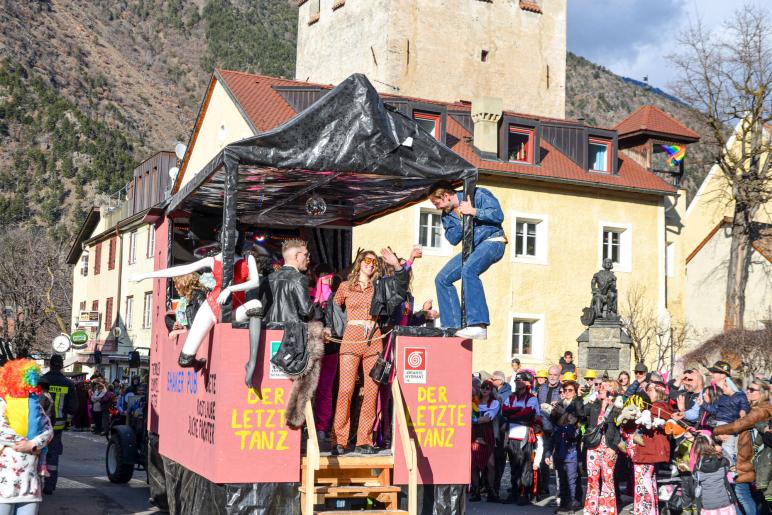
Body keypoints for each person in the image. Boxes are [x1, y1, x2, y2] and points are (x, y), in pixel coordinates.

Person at [129, 230, 261, 368]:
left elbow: (255, 282)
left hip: (234, 309)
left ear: (239, 239)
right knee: (185, 360)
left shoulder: (247, 258)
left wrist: (229, 289)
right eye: (226, 235)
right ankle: (200, 364)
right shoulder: (212, 260)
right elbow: (182, 269)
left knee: (256, 305)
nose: (231, 238)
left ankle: (252, 361)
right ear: (221, 238)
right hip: (211, 308)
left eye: (235, 236)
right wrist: (144, 275)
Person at [330, 249, 405, 455]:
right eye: (367, 260)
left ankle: (365, 440)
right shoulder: (345, 286)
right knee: (346, 390)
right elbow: (333, 309)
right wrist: (332, 329)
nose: (370, 264)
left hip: (374, 338)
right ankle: (339, 439)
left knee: (371, 391)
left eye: (374, 262)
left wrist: (397, 266)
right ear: (360, 262)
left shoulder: (380, 287)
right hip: (351, 338)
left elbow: (400, 288)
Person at [428, 180, 506, 340]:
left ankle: (479, 325)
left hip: (493, 241)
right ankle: (452, 327)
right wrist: (463, 219)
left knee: (469, 270)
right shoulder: (447, 215)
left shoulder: (477, 194)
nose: (437, 207)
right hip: (472, 249)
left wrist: (473, 211)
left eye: (437, 203)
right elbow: (452, 238)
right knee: (442, 279)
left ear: (446, 196)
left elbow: (498, 215)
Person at [0, 360, 54, 515]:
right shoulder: (3, 401)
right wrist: (23, 443)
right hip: (4, 486)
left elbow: (48, 430)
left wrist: (33, 444)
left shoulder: (34, 403)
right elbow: (1, 429)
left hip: (30, 486)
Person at [713, 378, 772, 515]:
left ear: (762, 393)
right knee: (742, 494)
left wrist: (715, 430)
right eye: (747, 389)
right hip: (746, 455)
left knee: (741, 494)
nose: (748, 392)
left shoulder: (761, 411)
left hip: (749, 457)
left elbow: (737, 426)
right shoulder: (755, 408)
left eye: (752, 390)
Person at [626, 377, 673, 515]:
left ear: (659, 392)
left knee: (643, 482)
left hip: (648, 450)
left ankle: (646, 511)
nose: (647, 393)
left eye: (650, 390)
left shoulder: (659, 407)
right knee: (648, 481)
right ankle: (650, 510)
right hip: (647, 450)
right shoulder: (655, 406)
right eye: (647, 390)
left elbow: (656, 421)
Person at [500, 371, 540, 505]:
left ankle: (524, 493)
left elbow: (528, 414)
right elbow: (504, 411)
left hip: (525, 435)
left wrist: (513, 414)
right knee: (513, 465)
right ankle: (514, 492)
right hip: (511, 435)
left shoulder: (532, 398)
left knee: (525, 464)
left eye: (521, 381)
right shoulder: (511, 397)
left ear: (527, 383)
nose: (518, 384)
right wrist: (518, 411)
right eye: (517, 381)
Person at [40, 355, 78, 495]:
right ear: (62, 366)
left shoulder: (41, 380)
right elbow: (73, 407)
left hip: (40, 424)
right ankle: (49, 486)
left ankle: (36, 483)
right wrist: (67, 418)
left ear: (50, 365)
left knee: (38, 452)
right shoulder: (68, 383)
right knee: (53, 455)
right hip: (57, 426)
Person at [584, 379, 623, 515]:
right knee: (592, 478)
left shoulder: (617, 406)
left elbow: (619, 429)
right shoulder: (595, 404)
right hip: (593, 445)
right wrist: (597, 403)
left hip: (609, 446)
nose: (600, 388)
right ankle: (591, 509)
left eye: (604, 387)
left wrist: (614, 447)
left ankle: (607, 510)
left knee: (607, 478)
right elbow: (582, 412)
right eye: (600, 387)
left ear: (612, 391)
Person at [701, 361, 749, 464]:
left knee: (731, 449)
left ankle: (730, 465)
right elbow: (713, 410)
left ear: (723, 375)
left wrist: (743, 412)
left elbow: (743, 407)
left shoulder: (737, 394)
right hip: (716, 428)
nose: (710, 374)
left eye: (714, 372)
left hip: (731, 427)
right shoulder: (719, 393)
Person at [549, 380, 584, 513]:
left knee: (572, 476)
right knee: (561, 476)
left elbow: (577, 418)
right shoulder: (560, 403)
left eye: (570, 390)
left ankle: (573, 502)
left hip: (571, 444)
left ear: (575, 392)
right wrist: (554, 411)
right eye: (565, 390)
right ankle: (564, 502)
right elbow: (553, 422)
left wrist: (563, 413)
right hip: (559, 442)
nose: (567, 393)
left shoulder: (578, 402)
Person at [262, 239, 314, 324]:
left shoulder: (267, 279)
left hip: (268, 329)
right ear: (297, 256)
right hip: (291, 330)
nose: (308, 258)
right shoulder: (299, 278)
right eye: (306, 254)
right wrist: (317, 307)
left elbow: (261, 309)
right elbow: (306, 311)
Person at [691, 434, 738, 515]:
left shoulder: (697, 467)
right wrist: (721, 450)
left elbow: (695, 486)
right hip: (725, 501)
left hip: (707, 504)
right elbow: (731, 463)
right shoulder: (721, 461)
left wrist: (698, 507)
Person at [470, 380, 500, 502]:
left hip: (487, 434)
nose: (485, 390)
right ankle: (476, 491)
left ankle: (491, 491)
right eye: (483, 387)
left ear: (491, 390)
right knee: (474, 465)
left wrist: (473, 420)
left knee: (491, 464)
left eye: (488, 388)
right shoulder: (474, 401)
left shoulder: (494, 402)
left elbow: (487, 419)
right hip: (474, 434)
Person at [536, 365, 562, 501]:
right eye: (550, 374)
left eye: (555, 375)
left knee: (558, 460)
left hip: (557, 428)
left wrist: (558, 405)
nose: (552, 377)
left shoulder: (563, 389)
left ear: (559, 376)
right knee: (543, 459)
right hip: (543, 428)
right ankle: (544, 488)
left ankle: (560, 491)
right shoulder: (542, 388)